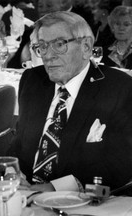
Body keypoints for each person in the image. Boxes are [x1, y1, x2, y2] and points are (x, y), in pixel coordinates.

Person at [8, 11, 132, 192]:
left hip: (82, 201)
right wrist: (14, 173)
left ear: (86, 47)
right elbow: (19, 142)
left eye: (59, 44)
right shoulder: (33, 80)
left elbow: (122, 162)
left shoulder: (120, 88)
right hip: (25, 196)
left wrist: (53, 189)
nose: (48, 56)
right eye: (42, 46)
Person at [101, 6, 132, 70]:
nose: (121, 28)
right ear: (112, 27)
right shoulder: (103, 52)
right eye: (117, 24)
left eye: (126, 24)